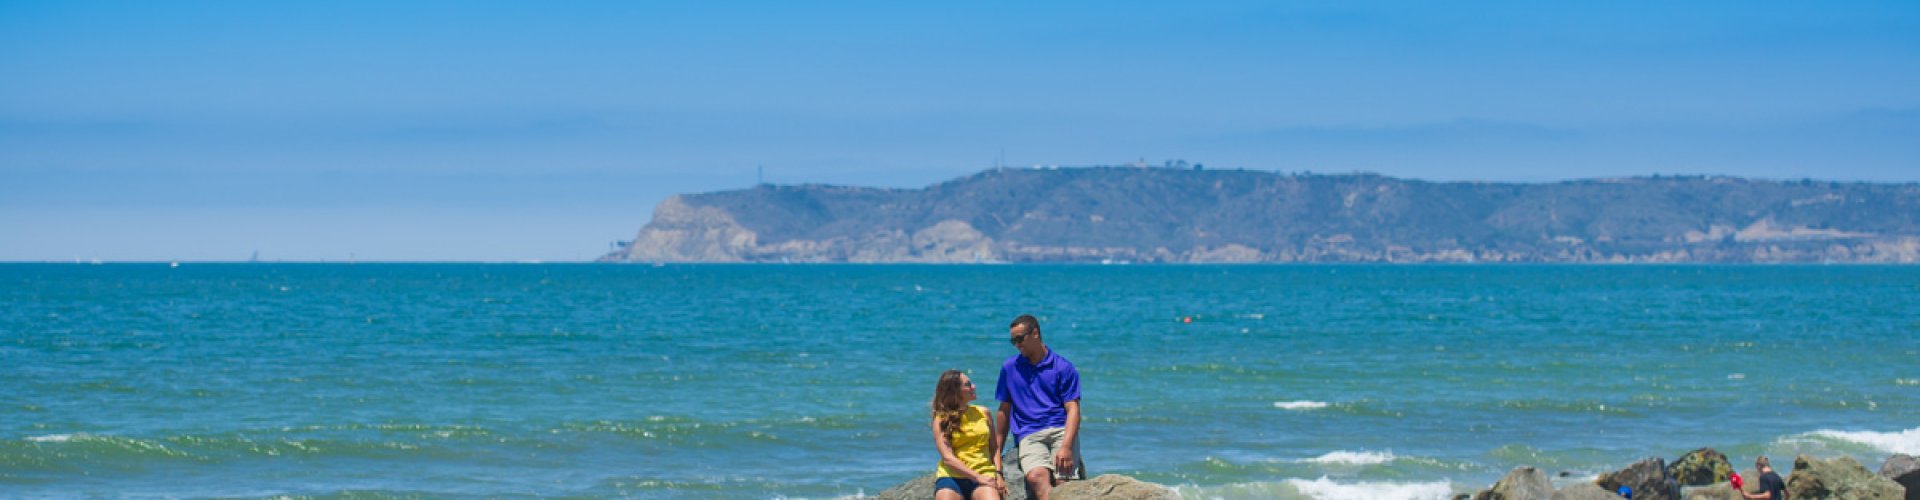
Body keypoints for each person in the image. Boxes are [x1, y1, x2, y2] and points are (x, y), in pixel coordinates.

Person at [994, 314, 1082, 500]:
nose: (1017, 344)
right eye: (1013, 341)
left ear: (1035, 333)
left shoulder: (1063, 367)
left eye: (1019, 339)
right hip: (1029, 434)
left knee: (1063, 482)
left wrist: (1066, 446)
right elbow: (1004, 410)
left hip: (1060, 430)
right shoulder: (1010, 368)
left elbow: (1073, 409)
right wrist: (996, 451)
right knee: (1036, 477)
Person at [931, 369, 1005, 500]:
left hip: (983, 472)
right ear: (955, 392)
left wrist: (998, 474)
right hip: (951, 477)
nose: (973, 386)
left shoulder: (983, 412)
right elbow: (948, 458)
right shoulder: (941, 419)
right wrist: (977, 477)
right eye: (968, 384)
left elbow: (994, 448)